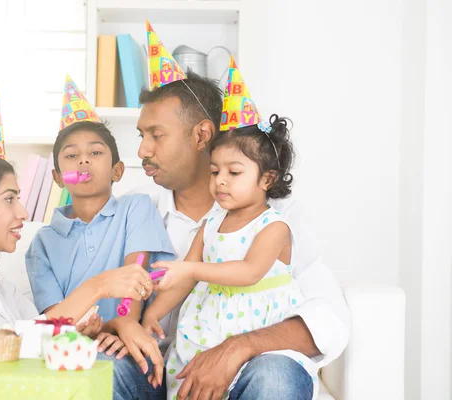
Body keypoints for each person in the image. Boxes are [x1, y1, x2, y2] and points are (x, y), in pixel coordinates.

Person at [104, 24, 350, 400]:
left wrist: (238, 349)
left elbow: (329, 319)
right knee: (103, 366)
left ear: (202, 136)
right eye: (141, 136)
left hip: (252, 369)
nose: (142, 151)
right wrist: (130, 319)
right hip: (162, 371)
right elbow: (125, 292)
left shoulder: (281, 219)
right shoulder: (140, 208)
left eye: (156, 135)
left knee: (276, 375)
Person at [0, 90, 156, 370]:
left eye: (19, 198)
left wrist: (79, 333)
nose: (23, 212)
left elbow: (36, 334)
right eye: (10, 199)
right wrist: (98, 286)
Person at [143, 98, 319, 399]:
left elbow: (249, 272)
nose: (221, 181)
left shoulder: (274, 226)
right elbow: (184, 280)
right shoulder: (211, 222)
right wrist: (151, 316)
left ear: (267, 179)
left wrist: (191, 269)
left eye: (233, 173)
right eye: (215, 172)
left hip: (252, 330)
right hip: (206, 325)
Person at [25, 76, 174, 370]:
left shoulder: (137, 208)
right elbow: (60, 322)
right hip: (74, 356)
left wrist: (126, 322)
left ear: (117, 171)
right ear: (57, 177)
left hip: (127, 351)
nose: (83, 161)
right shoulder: (42, 244)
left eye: (95, 153)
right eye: (71, 155)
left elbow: (137, 278)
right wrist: (107, 326)